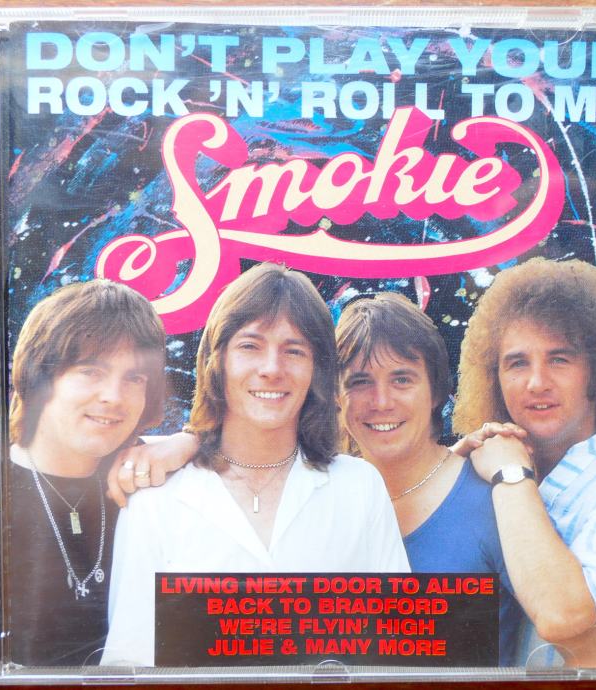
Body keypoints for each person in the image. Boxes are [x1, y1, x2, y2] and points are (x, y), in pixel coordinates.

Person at [101, 263, 409, 667]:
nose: (271, 369)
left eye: (294, 351)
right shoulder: (156, 494)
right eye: (250, 346)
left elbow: (396, 650)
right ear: (217, 360)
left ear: (317, 369)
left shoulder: (359, 486)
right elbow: (128, 663)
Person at [452, 257, 596, 668]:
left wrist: (511, 476)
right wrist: (453, 471)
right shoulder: (494, 469)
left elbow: (562, 615)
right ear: (494, 378)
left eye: (559, 359)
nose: (536, 382)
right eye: (517, 362)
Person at [334, 292, 524, 666]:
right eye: (359, 381)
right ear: (335, 396)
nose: (381, 401)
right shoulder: (324, 503)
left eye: (402, 379)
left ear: (437, 391)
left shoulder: (495, 504)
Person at [5, 279, 167, 666]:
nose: (113, 396)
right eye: (90, 371)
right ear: (40, 377)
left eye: (134, 378)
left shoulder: (147, 479)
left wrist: (187, 443)